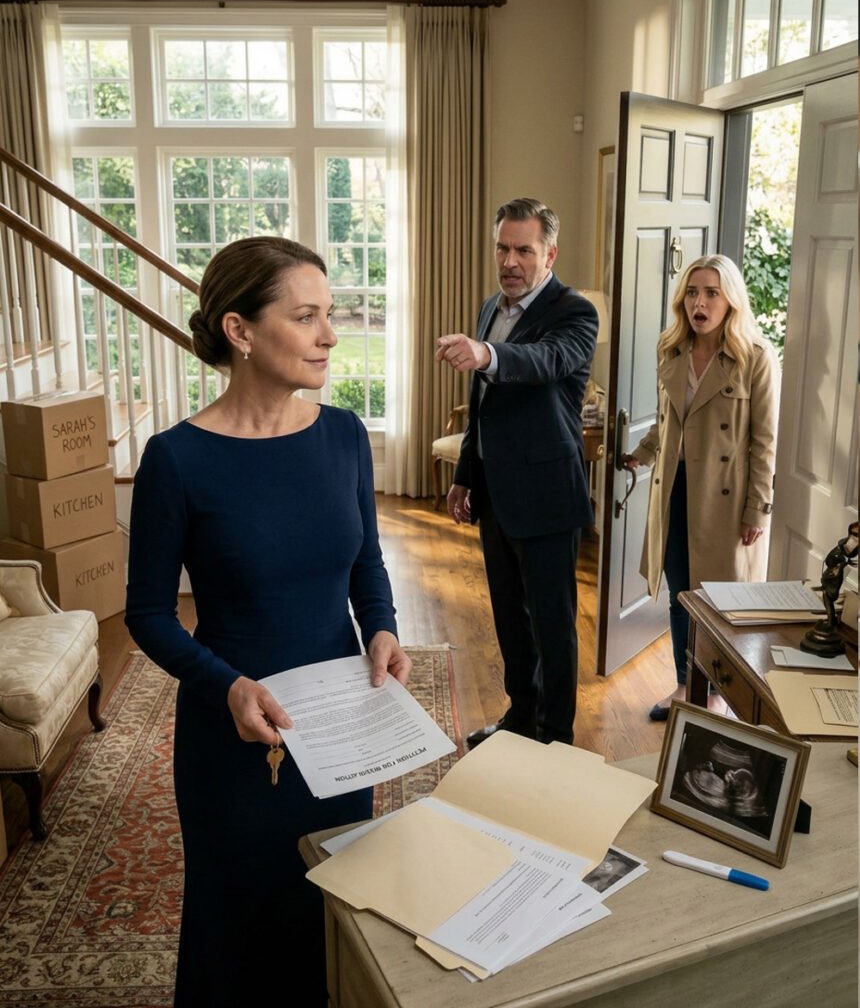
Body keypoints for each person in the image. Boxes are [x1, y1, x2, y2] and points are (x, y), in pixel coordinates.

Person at [124, 236, 411, 1007]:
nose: (330, 335)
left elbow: (365, 562)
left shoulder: (344, 436)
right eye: (307, 316)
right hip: (233, 736)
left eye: (330, 315)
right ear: (240, 330)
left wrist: (381, 628)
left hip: (340, 728)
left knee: (330, 905)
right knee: (239, 924)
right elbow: (147, 614)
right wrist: (227, 687)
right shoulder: (175, 460)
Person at [436, 197, 598, 748]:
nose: (510, 261)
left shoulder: (575, 312)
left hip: (548, 498)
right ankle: (520, 719)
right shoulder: (491, 307)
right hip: (496, 495)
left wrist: (486, 354)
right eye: (502, 248)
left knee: (552, 627)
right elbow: (482, 406)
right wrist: (465, 474)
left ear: (550, 254)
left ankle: (554, 740)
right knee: (510, 620)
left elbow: (547, 361)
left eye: (524, 250)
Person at [621, 254, 779, 721]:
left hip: (724, 499)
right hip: (674, 489)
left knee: (717, 603)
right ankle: (685, 684)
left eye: (711, 293)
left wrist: (758, 509)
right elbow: (668, 421)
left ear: (731, 300)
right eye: (692, 292)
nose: (700, 303)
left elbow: (764, 443)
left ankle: (715, 695)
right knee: (680, 596)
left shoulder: (755, 357)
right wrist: (642, 453)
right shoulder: (672, 349)